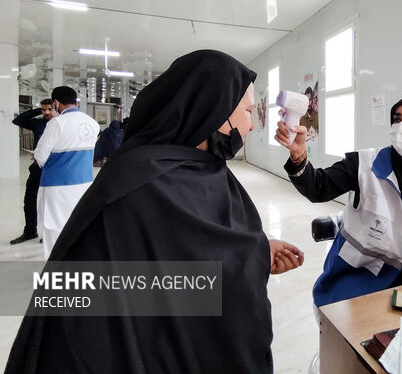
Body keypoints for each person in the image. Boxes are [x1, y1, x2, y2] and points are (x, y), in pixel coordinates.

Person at [6, 50, 303, 374]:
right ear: (212, 109)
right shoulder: (143, 180)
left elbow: (198, 248)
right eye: (247, 110)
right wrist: (250, 257)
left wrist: (255, 250)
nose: (251, 124)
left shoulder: (206, 169)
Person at [275, 92, 402, 307]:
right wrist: (299, 154)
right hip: (359, 284)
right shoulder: (364, 164)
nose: (401, 127)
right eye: (396, 119)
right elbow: (318, 187)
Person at [33, 86, 100, 259]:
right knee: (77, 225)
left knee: (54, 227)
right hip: (84, 183)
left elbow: (40, 156)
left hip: (57, 185)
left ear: (55, 103)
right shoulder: (92, 123)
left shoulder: (57, 123)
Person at [10, 99, 55, 244]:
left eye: (49, 109)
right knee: (29, 200)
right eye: (44, 109)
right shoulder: (39, 124)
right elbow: (18, 120)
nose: (47, 112)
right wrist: (38, 110)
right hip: (36, 169)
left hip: (52, 168)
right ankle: (30, 231)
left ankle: (49, 233)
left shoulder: (60, 124)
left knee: (50, 202)